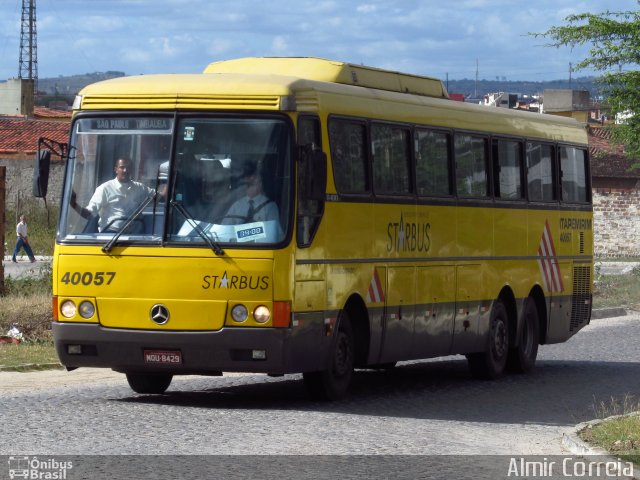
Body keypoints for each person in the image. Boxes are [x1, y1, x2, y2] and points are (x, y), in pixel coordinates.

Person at [71, 158, 156, 232]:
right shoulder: (105, 189)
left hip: (136, 236)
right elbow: (89, 213)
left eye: (128, 168)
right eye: (122, 167)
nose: (125, 170)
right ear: (116, 169)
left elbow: (159, 197)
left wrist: (168, 183)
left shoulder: (140, 188)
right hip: (111, 236)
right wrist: (74, 205)